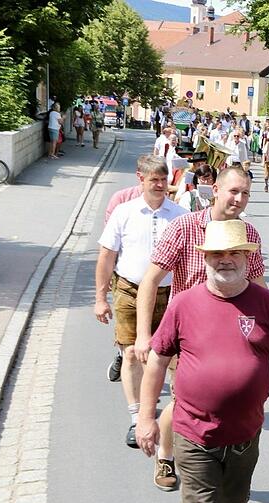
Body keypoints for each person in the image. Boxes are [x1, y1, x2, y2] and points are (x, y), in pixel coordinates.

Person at [137, 219, 269, 503]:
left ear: (246, 258)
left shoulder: (268, 303)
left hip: (245, 436)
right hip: (194, 432)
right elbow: (157, 362)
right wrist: (147, 418)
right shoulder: (184, 304)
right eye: (217, 253)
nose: (225, 259)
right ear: (205, 258)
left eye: (234, 253)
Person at [132, 168, 265, 503]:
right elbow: (150, 280)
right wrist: (145, 334)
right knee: (187, 403)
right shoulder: (185, 227)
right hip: (188, 334)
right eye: (233, 191)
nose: (239, 199)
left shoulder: (248, 234)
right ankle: (168, 457)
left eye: (246, 194)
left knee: (227, 412)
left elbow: (259, 288)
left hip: (232, 334)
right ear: (215, 190)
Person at [94, 155, 186, 456]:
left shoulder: (180, 214)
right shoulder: (125, 212)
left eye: (163, 179)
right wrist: (100, 298)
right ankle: (137, 417)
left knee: (170, 357)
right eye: (154, 180)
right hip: (129, 291)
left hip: (170, 293)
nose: (160, 185)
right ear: (140, 179)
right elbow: (107, 256)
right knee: (132, 353)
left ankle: (176, 415)